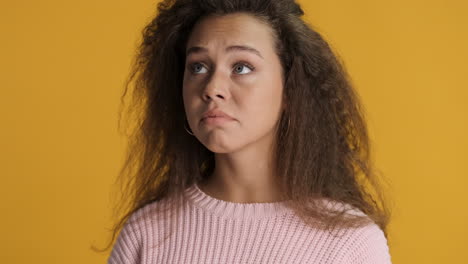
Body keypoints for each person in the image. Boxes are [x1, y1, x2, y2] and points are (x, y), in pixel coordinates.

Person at [101, 0, 393, 263]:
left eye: (241, 67)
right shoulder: (146, 235)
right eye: (198, 67)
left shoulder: (351, 244)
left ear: (290, 89)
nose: (212, 89)